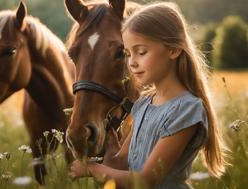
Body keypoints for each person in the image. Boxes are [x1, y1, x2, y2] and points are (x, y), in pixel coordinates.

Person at [69, 2, 228, 189]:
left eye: (141, 52)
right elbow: (121, 162)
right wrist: (106, 140)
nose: (132, 63)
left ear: (173, 50)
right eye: (127, 54)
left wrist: (93, 170)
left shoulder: (185, 109)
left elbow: (147, 180)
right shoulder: (143, 104)